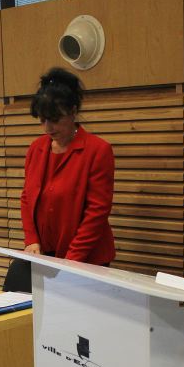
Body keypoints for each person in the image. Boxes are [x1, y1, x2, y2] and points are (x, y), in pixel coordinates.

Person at [20, 67, 115, 266]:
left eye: (54, 120)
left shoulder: (98, 150)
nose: (47, 128)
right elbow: (27, 199)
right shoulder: (36, 149)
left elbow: (96, 213)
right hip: (44, 255)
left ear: (73, 111)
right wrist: (32, 240)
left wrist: (72, 261)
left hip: (86, 259)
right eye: (42, 120)